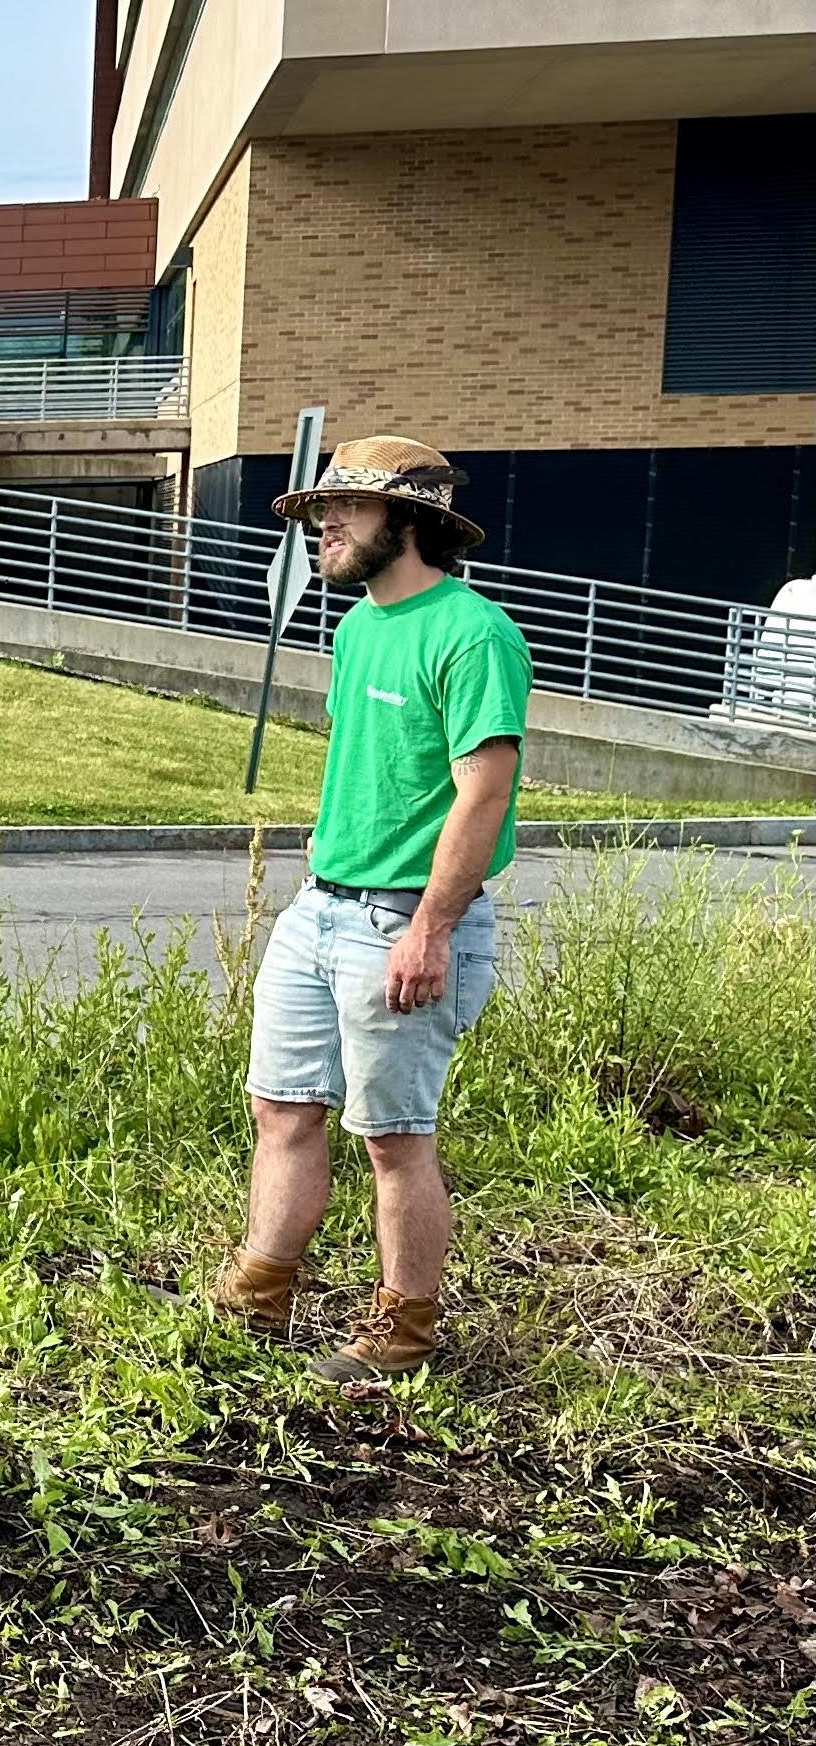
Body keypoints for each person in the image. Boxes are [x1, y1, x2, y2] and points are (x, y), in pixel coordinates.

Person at [213, 439, 530, 1384]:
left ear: (409, 520)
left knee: (393, 1135)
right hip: (320, 911)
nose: (324, 524)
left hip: (405, 924)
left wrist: (430, 927)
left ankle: (404, 1330)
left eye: (346, 508)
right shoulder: (356, 627)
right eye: (322, 510)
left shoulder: (471, 634)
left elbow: (484, 793)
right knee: (281, 1106)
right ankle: (260, 1288)